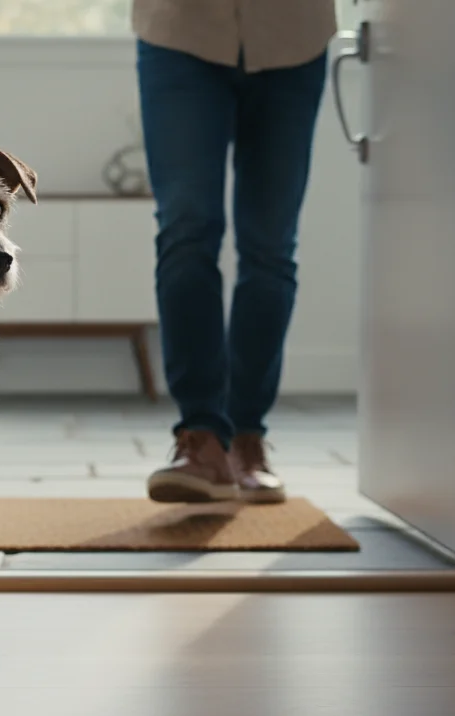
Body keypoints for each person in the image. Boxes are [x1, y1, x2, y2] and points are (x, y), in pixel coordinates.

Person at [133, 0, 337, 504]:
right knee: (186, 231)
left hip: (295, 36)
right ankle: (201, 437)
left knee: (270, 249)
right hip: (179, 32)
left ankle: (248, 438)